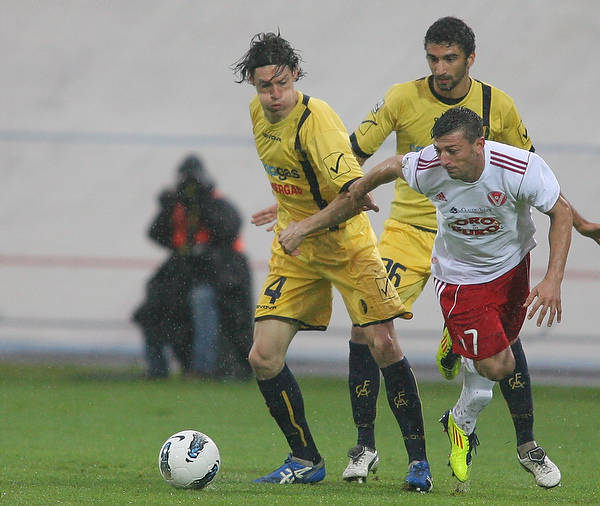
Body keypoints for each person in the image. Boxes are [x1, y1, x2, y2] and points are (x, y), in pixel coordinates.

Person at [256, 15, 596, 487]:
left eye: (449, 58)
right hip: (413, 233)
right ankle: (365, 446)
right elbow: (353, 155)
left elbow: (539, 183)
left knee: (502, 347)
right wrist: (306, 201)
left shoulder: (499, 107)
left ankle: (524, 439)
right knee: (369, 332)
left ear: (469, 59)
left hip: (497, 245)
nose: (439, 67)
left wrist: (580, 226)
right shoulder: (404, 104)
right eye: (433, 58)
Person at [279, 107, 571, 488]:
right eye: (438, 150)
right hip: (460, 279)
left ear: (479, 144)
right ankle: (459, 420)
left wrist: (553, 279)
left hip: (513, 267)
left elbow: (561, 212)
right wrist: (359, 190)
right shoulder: (428, 166)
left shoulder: (519, 167)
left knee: (506, 354)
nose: (443, 160)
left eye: (452, 151)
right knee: (498, 366)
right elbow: (390, 166)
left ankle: (459, 346)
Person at [232, 31, 433, 491]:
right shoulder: (257, 114)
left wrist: (303, 224)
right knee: (263, 356)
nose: (274, 95)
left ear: (295, 75)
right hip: (299, 251)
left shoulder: (317, 121)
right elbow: (293, 174)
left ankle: (418, 462)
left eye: (281, 83)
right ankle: (305, 458)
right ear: (252, 84)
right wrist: (285, 209)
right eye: (264, 86)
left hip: (347, 245)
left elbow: (356, 197)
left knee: (383, 344)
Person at [132, 155, 253, 380]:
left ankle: (202, 368)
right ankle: (157, 369)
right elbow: (157, 235)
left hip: (218, 275)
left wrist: (203, 201)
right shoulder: (178, 208)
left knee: (202, 300)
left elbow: (227, 229)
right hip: (184, 273)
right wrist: (167, 207)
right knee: (152, 307)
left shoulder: (218, 203)